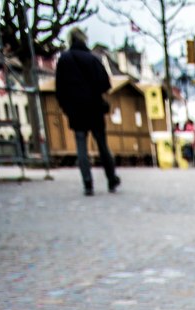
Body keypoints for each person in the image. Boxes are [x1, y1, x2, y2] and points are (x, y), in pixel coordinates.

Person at [55, 28, 120, 196]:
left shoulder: (64, 60)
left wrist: (66, 107)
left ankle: (87, 183)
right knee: (102, 145)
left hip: (76, 110)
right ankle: (111, 178)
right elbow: (105, 84)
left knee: (81, 146)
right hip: (94, 107)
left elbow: (60, 88)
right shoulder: (92, 58)